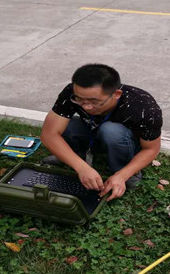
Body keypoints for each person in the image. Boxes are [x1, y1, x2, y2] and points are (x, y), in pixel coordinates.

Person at [40, 64, 162, 201]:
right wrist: (81, 167)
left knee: (111, 131)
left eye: (94, 102)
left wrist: (122, 175)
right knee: (64, 126)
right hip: (92, 129)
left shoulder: (143, 107)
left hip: (124, 140)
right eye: (79, 100)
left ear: (116, 94)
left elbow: (151, 149)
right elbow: (48, 134)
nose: (86, 107)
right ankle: (75, 156)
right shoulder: (72, 92)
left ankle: (123, 170)